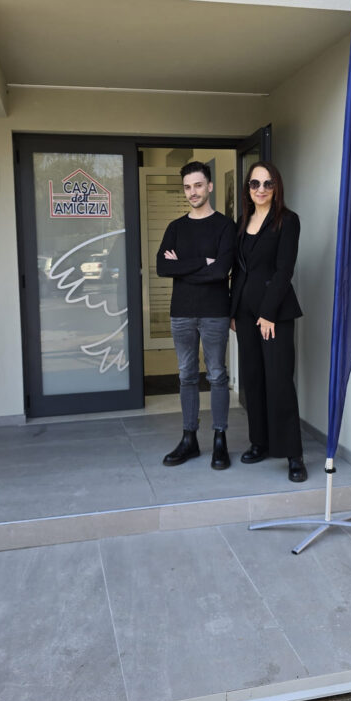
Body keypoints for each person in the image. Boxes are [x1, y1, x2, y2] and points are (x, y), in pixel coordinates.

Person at [230, 161, 307, 482]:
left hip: (274, 314)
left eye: (267, 183)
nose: (260, 189)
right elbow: (239, 270)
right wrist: (233, 310)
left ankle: (293, 455)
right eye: (254, 183)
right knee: (253, 378)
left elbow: (284, 270)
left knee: (279, 381)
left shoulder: (287, 221)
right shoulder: (242, 222)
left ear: (277, 187)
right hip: (244, 314)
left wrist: (267, 313)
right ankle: (259, 442)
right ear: (247, 188)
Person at [156, 161, 236, 470]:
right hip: (182, 313)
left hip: (215, 311)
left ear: (210, 186)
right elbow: (163, 267)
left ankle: (220, 440)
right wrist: (203, 261)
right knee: (187, 375)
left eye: (198, 185)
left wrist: (184, 266)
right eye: (188, 187)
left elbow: (221, 271)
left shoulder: (225, 226)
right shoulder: (175, 228)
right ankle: (189, 439)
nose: (193, 192)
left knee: (217, 375)